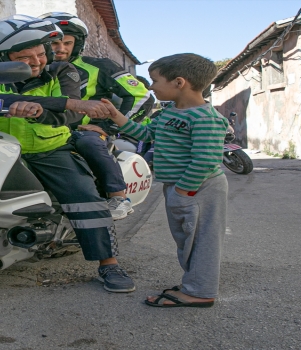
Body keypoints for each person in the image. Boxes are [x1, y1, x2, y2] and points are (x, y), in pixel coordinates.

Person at [0, 15, 135, 293]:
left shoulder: (64, 70)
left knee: (84, 197)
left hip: (48, 149)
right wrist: (46, 103)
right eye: (25, 58)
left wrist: (43, 112)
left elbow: (73, 113)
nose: (38, 62)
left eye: (41, 54)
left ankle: (108, 263)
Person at [95, 53, 229, 307]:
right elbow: (146, 133)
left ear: (179, 82)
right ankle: (195, 283)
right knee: (187, 240)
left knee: (202, 241)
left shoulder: (205, 118)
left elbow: (205, 161)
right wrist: (116, 117)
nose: (151, 87)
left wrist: (183, 191)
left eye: (155, 81)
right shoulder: (170, 112)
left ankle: (200, 293)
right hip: (183, 187)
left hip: (199, 188)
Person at [40, 12, 155, 220]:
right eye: (55, 43)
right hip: (42, 130)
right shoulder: (35, 70)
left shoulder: (100, 66)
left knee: (89, 142)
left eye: (67, 43)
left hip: (84, 132)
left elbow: (142, 97)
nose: (61, 49)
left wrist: (109, 127)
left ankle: (118, 197)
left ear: (78, 43)